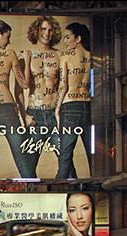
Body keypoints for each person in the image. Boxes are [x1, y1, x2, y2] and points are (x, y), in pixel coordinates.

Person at [0, 16, 34, 178]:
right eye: (7, 37)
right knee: (21, 153)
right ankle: (31, 188)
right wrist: (26, 61)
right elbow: (25, 84)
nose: (9, 42)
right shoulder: (10, 54)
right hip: (7, 108)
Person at [20, 15, 64, 174]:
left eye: (51, 30)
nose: (47, 33)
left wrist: (61, 111)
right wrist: (24, 114)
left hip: (54, 112)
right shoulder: (27, 54)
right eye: (44, 29)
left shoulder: (60, 56)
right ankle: (29, 194)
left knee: (65, 158)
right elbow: (19, 88)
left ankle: (67, 194)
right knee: (29, 163)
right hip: (35, 112)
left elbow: (63, 85)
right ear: (37, 30)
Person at [55, 22, 92, 179]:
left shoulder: (66, 57)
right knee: (91, 151)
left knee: (65, 154)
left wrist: (57, 108)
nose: (65, 41)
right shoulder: (91, 56)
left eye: (68, 37)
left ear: (78, 38)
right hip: (88, 105)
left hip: (70, 105)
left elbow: (63, 85)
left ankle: (60, 189)